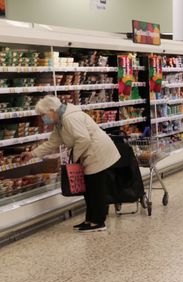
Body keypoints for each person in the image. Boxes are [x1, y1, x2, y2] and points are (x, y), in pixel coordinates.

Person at [21, 95, 121, 232]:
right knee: (89, 189)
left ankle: (98, 222)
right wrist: (32, 154)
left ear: (52, 110)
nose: (43, 119)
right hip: (88, 153)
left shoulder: (69, 118)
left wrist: (74, 156)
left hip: (97, 152)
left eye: (43, 115)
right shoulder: (59, 121)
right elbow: (52, 143)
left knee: (95, 189)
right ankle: (90, 220)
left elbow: (84, 139)